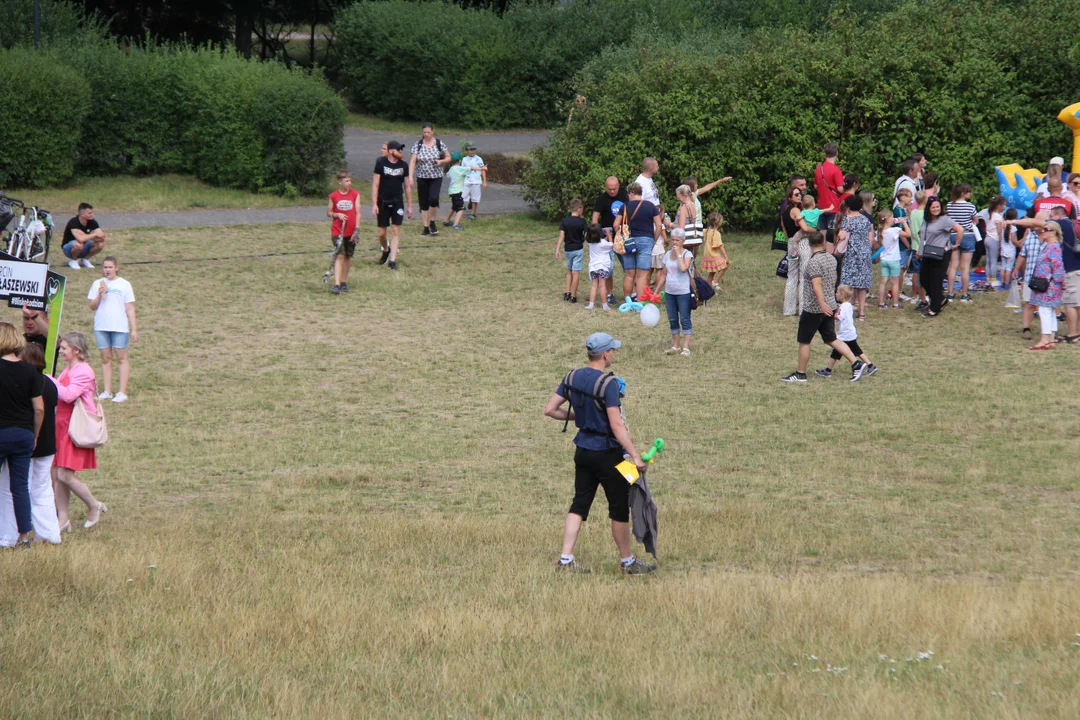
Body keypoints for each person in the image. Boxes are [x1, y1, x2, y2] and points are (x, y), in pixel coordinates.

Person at [543, 332, 655, 575]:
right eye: (613, 350)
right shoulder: (609, 384)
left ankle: (565, 560)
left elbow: (550, 410)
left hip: (582, 450)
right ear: (605, 354)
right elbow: (617, 426)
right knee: (618, 508)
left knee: (579, 504)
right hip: (609, 455)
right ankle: (628, 563)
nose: (614, 353)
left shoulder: (571, 376)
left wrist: (578, 417)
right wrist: (635, 456)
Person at [781, 232, 864, 383]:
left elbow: (816, 284)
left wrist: (820, 304)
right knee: (831, 338)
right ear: (823, 242)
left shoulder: (814, 262)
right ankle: (856, 363)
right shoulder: (831, 259)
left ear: (809, 244)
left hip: (815, 308)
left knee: (804, 340)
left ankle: (800, 374)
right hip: (831, 305)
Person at [52, 332, 107, 531]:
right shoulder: (69, 369)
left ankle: (94, 505)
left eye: (65, 348)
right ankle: (63, 518)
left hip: (74, 428)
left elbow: (68, 395)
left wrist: (50, 381)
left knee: (64, 475)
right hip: (62, 426)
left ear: (76, 350)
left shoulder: (83, 371)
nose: (62, 351)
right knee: (59, 474)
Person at [0, 322, 43, 547]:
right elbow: (39, 408)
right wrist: (34, 434)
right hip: (23, 434)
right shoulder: (30, 371)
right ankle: (24, 537)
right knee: (20, 487)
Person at [21, 342, 60, 543]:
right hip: (48, 444)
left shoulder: (27, 383)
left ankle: (20, 532)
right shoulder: (50, 383)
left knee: (21, 487)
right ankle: (49, 534)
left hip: (30, 441)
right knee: (43, 489)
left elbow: (37, 410)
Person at [87, 257, 137, 403]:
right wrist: (99, 294)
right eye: (105, 267)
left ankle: (122, 392)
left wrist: (134, 329)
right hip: (101, 326)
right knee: (105, 358)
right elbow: (92, 306)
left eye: (110, 267)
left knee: (121, 358)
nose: (107, 270)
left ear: (116, 268)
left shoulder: (124, 284)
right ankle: (107, 391)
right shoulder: (97, 284)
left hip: (119, 326)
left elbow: (129, 307)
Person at [612, 182, 662, 301]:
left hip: (629, 241)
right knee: (642, 275)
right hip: (646, 240)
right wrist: (653, 240)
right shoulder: (650, 206)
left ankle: (628, 301)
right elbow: (659, 225)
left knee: (629, 274)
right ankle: (640, 301)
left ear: (631, 193)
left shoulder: (624, 207)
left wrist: (623, 235)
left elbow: (615, 225)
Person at [815, 285, 877, 378]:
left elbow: (839, 316)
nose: (835, 294)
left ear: (842, 296)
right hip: (850, 333)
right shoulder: (849, 306)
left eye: (837, 292)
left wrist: (830, 315)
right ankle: (870, 365)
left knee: (836, 352)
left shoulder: (843, 307)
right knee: (857, 351)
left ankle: (828, 371)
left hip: (845, 335)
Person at [918, 197, 964, 317]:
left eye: (937, 206)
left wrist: (956, 245)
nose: (935, 209)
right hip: (927, 252)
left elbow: (960, 229)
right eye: (933, 207)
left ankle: (934, 309)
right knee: (923, 279)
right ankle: (941, 300)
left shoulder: (945, 220)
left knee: (935, 281)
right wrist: (920, 251)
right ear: (928, 208)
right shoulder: (927, 220)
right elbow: (923, 236)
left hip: (941, 254)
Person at [372, 141, 412, 271]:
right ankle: (386, 249)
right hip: (383, 201)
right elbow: (375, 185)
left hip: (397, 201)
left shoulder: (404, 165)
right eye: (398, 150)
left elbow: (407, 186)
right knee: (382, 233)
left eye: (401, 150)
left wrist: (410, 205)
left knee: (396, 230)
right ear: (390, 151)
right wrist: (374, 204)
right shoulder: (381, 163)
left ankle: (393, 261)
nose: (401, 152)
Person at [1026, 222, 1065, 350]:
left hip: (1049, 284)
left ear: (1054, 232)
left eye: (1046, 229)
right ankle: (1051, 339)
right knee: (1050, 310)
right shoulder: (1048, 246)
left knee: (1044, 310)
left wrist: (1058, 281)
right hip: (1048, 283)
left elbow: (1058, 266)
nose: (1043, 231)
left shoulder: (1053, 247)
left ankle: (1045, 338)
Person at [591, 177, 629, 306]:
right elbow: (595, 216)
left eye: (614, 189)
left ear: (619, 186)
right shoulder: (601, 199)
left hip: (622, 234)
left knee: (628, 266)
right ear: (605, 187)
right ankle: (609, 294)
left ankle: (631, 294)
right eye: (609, 189)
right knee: (608, 267)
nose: (612, 191)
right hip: (606, 236)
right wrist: (595, 233)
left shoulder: (625, 195)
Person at [409, 122, 450, 236]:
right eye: (424, 132)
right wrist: (411, 177)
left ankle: (433, 222)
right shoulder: (418, 144)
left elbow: (448, 157)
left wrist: (441, 161)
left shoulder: (439, 143)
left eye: (428, 132)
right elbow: (413, 161)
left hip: (436, 176)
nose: (426, 134)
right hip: (422, 177)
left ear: (433, 131)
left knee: (433, 199)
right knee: (423, 202)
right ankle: (426, 226)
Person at [836, 195, 873, 320]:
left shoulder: (847, 220)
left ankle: (847, 310)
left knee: (848, 284)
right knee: (862, 285)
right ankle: (861, 312)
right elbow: (870, 238)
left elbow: (842, 236)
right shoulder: (866, 220)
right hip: (865, 254)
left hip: (851, 254)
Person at [781, 185, 816, 316]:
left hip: (791, 242)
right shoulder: (796, 210)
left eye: (800, 194)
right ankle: (803, 309)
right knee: (803, 276)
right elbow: (805, 228)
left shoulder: (784, 211)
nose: (799, 196)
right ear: (790, 197)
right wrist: (817, 231)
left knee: (791, 277)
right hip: (803, 243)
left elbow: (784, 228)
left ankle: (788, 309)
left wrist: (791, 241)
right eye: (796, 194)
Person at [326, 170, 361, 294]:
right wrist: (337, 214)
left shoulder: (355, 195)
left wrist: (357, 229)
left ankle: (343, 282)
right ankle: (336, 284)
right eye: (346, 181)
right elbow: (329, 212)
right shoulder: (334, 196)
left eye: (350, 181)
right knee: (339, 255)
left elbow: (358, 213)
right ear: (340, 182)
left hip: (351, 232)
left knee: (348, 256)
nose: (349, 183)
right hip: (338, 232)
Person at [662, 229, 695, 357]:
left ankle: (686, 347)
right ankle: (675, 345)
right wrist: (656, 290)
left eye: (677, 240)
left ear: (683, 241)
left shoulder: (687, 254)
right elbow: (664, 274)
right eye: (673, 239)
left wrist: (678, 254)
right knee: (672, 319)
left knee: (685, 318)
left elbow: (683, 268)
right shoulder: (667, 254)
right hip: (670, 291)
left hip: (683, 291)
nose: (674, 242)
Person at [945, 184, 978, 304]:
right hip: (967, 236)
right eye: (968, 191)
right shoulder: (970, 206)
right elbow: (976, 220)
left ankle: (950, 293)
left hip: (953, 236)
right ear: (963, 193)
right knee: (965, 268)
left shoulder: (949, 205)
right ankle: (964, 294)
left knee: (953, 266)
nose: (970, 193)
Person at [876, 209, 909, 310]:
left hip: (884, 259)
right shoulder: (894, 230)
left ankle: (881, 303)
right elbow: (908, 234)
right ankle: (895, 304)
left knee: (883, 281)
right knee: (895, 282)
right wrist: (903, 223)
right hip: (894, 259)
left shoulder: (879, 232)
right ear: (888, 220)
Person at [555, 199, 587, 303]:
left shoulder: (565, 221)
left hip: (568, 249)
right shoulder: (582, 221)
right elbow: (586, 235)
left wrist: (557, 249)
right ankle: (573, 296)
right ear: (579, 209)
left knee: (569, 272)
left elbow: (561, 236)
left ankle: (567, 292)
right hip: (578, 249)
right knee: (576, 272)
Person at [61, 203, 107, 271]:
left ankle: (85, 259)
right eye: (89, 213)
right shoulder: (73, 222)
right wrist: (94, 235)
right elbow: (80, 239)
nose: (92, 214)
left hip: (84, 245)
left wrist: (84, 235)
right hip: (69, 248)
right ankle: (74, 261)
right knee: (79, 244)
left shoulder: (92, 222)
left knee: (100, 244)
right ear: (82, 214)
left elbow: (102, 237)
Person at [893, 188, 915, 302]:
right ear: (902, 198)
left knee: (904, 267)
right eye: (909, 196)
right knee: (901, 269)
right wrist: (907, 245)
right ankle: (899, 291)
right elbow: (899, 231)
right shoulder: (899, 212)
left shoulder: (904, 210)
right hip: (902, 246)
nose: (911, 199)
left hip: (905, 244)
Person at [584, 224, 613, 310]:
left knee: (594, 286)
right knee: (602, 286)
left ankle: (591, 304)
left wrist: (606, 238)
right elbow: (611, 245)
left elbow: (602, 243)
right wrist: (608, 235)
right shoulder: (603, 243)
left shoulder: (591, 243)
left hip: (593, 268)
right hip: (602, 267)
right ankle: (605, 305)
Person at [814, 143, 844, 222]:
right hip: (834, 206)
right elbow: (840, 189)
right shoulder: (836, 170)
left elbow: (816, 186)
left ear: (825, 154)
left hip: (821, 206)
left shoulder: (819, 168)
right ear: (837, 153)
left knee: (823, 232)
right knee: (833, 232)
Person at [909, 190, 928, 310]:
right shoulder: (925, 214)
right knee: (924, 272)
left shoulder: (913, 213)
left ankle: (914, 295)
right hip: (922, 247)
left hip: (914, 245)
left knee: (916, 272)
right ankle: (924, 296)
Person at [982, 195, 1006, 288]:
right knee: (994, 261)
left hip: (987, 238)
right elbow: (999, 232)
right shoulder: (998, 217)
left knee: (988, 260)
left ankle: (988, 278)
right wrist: (1000, 243)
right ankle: (993, 279)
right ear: (999, 205)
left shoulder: (990, 214)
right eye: (1004, 205)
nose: (1004, 207)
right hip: (994, 239)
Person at [701, 212, 730, 289]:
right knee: (727, 264)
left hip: (707, 255)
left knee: (712, 271)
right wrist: (726, 256)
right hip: (713, 254)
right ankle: (715, 281)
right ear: (717, 222)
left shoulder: (706, 231)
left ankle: (708, 288)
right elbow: (720, 246)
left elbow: (700, 234)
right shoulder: (716, 233)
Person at [461, 143, 487, 220]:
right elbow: (462, 170)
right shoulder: (464, 159)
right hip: (467, 181)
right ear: (467, 150)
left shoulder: (478, 159)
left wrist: (484, 181)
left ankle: (473, 214)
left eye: (473, 149)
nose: (472, 151)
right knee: (462, 197)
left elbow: (483, 170)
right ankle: (461, 209)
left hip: (476, 181)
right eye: (470, 150)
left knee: (475, 199)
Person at [674, 185, 702, 256]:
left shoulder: (684, 208)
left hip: (683, 239)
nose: (678, 198)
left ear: (684, 195)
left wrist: (669, 224)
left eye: (678, 196)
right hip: (691, 238)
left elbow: (681, 227)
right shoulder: (693, 206)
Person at [442, 153, 467, 230]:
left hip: (452, 191)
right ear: (460, 160)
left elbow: (448, 175)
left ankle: (446, 220)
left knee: (454, 207)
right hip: (458, 191)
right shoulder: (461, 169)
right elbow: (469, 170)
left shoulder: (451, 169)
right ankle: (455, 224)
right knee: (461, 208)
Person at [999, 207, 1020, 289]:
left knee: (1002, 267)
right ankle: (1007, 284)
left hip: (1003, 250)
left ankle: (1002, 282)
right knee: (1008, 268)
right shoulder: (1013, 228)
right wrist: (1020, 245)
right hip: (1011, 251)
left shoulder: (1003, 226)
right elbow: (1014, 240)